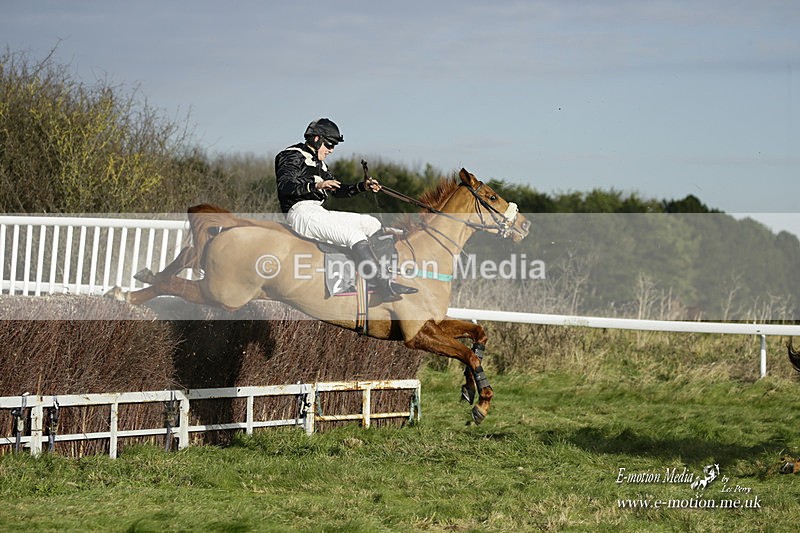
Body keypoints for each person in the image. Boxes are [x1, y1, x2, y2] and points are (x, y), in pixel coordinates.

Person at [275, 118, 417, 302]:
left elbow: (338, 190)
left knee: (370, 223)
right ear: (316, 139)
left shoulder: (322, 165)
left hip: (318, 211)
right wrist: (317, 185)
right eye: (329, 144)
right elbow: (285, 185)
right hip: (300, 213)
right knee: (354, 235)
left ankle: (385, 274)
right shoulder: (291, 155)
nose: (331, 150)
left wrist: (362, 187)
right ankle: (380, 284)